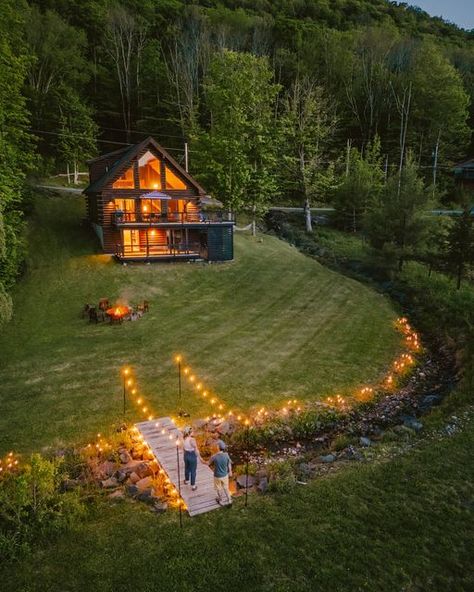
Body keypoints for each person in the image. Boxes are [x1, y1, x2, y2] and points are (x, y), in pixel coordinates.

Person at [208, 440, 232, 506]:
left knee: (219, 489)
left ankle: (221, 500)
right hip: (225, 475)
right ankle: (229, 500)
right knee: (226, 488)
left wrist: (200, 459)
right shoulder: (226, 455)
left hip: (217, 476)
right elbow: (229, 463)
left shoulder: (214, 456)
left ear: (218, 447)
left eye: (217, 445)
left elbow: (207, 463)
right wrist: (230, 471)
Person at [182, 427, 202, 491]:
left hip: (186, 455)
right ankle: (193, 485)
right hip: (192, 455)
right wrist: (200, 457)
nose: (193, 432)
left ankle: (187, 480)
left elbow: (183, 448)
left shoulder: (184, 439)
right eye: (192, 431)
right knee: (193, 470)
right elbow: (195, 449)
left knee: (187, 468)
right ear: (189, 432)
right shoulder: (192, 440)